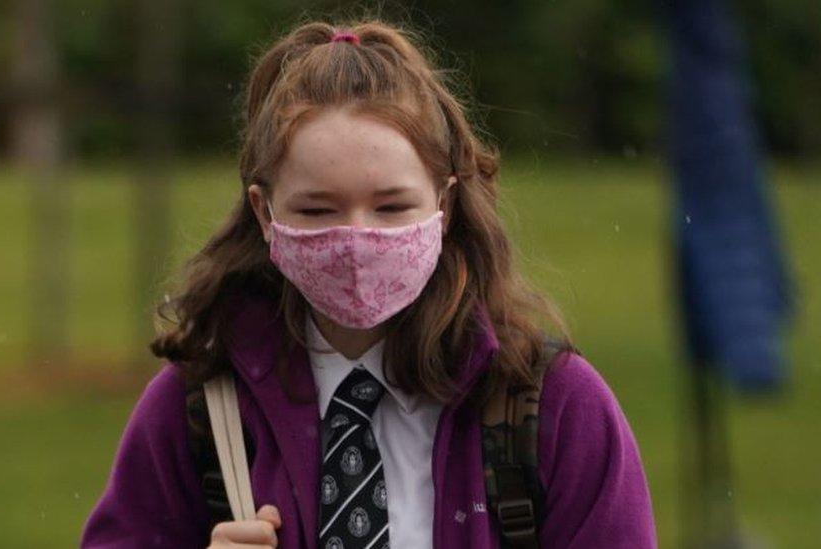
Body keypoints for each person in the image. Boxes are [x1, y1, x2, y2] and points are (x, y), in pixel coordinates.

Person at [80, 18, 658, 549]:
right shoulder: (198, 408)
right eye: (317, 210)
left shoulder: (554, 408)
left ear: (445, 203)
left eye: (390, 206)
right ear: (264, 213)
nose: (356, 239)